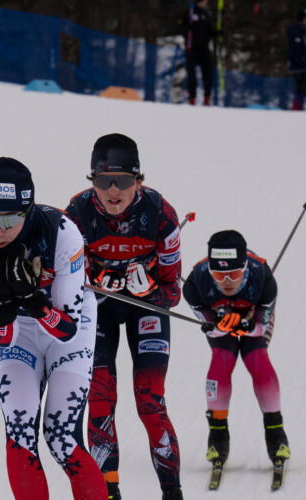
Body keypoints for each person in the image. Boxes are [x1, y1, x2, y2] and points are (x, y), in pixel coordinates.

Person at [0, 157, 108, 500]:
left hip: (69, 328)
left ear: (28, 210)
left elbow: (66, 330)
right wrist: (4, 307)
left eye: (9, 219)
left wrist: (34, 302)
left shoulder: (61, 232)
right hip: (19, 332)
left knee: (60, 436)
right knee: (20, 430)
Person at [65, 134, 184, 500]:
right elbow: (64, 288)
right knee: (100, 398)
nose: (113, 190)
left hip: (143, 309)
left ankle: (171, 492)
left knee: (150, 399)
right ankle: (108, 491)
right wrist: (93, 281)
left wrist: (148, 290)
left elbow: (173, 292)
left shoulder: (161, 214)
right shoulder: (76, 214)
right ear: (92, 182)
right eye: (102, 181)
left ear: (139, 180)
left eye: (123, 181)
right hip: (97, 311)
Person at [182, 230, 290, 470]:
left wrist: (248, 325)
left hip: (254, 317)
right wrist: (220, 325)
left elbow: (262, 326)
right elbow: (209, 328)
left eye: (234, 273)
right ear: (209, 270)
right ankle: (217, 436)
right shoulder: (194, 284)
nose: (227, 281)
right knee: (221, 359)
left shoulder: (264, 278)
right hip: (222, 320)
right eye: (219, 274)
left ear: (245, 267)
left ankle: (276, 434)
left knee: (257, 358)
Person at [178, 0, 217, 106]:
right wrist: (186, 29)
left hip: (204, 49)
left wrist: (216, 33)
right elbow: (180, 27)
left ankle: (207, 99)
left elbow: (209, 31)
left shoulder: (205, 14)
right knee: (192, 76)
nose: (207, 2)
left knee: (208, 75)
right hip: (191, 49)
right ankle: (192, 99)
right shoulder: (189, 12)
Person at [286, 8, 306, 110]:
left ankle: (299, 109)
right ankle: (297, 110)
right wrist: (303, 63)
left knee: (303, 90)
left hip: (302, 67)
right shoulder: (296, 31)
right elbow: (295, 51)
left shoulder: (302, 31)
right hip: (299, 68)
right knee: (300, 89)